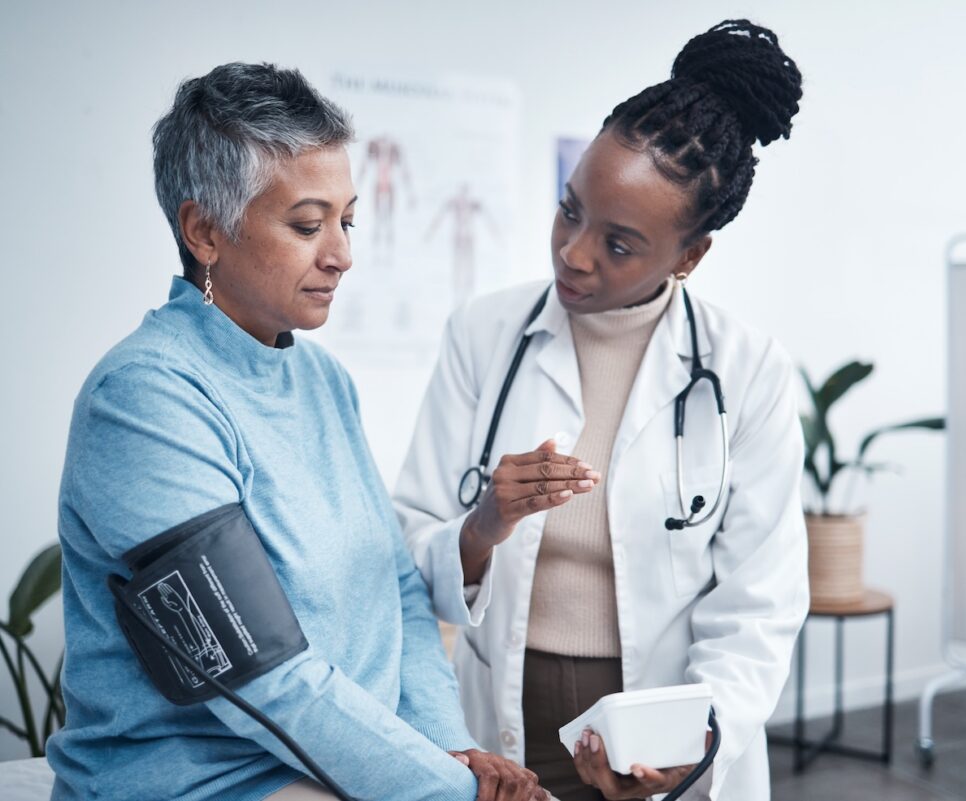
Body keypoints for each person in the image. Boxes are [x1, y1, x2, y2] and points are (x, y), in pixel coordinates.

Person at [47, 62, 544, 801]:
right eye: (308, 225)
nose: (342, 253)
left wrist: (452, 746)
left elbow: (397, 593)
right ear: (204, 231)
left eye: (347, 221)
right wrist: (450, 789)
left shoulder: (323, 381)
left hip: (345, 770)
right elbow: (262, 673)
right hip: (206, 781)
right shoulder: (144, 398)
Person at [394, 20, 809, 801]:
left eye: (618, 243)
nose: (574, 253)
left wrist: (690, 751)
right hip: (501, 734)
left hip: (656, 744)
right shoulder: (484, 334)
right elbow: (407, 540)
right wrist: (482, 527)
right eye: (569, 209)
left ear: (688, 257)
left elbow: (759, 604)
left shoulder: (746, 370)